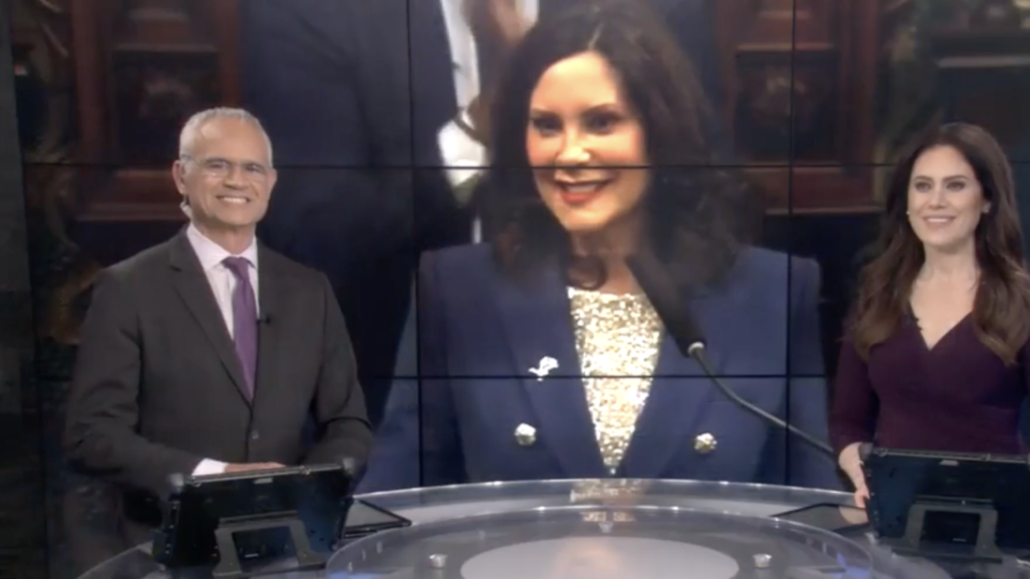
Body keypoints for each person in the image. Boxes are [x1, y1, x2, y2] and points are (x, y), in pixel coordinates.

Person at [358, 0, 834, 492]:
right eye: (546, 125)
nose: (569, 153)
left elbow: (812, 514)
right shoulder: (456, 292)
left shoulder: (772, 294)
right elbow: (392, 505)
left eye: (602, 122)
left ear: (660, 131)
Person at [238, 0, 726, 412]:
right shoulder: (313, 12)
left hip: (640, 376)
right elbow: (315, 237)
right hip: (393, 385)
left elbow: (705, 188)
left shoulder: (660, 9)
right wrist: (475, 135)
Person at [62, 108, 373, 550]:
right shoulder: (128, 288)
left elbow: (349, 424)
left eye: (252, 168)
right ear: (180, 176)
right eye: (217, 165)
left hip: (289, 543)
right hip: (167, 548)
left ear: (270, 181)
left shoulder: (310, 290)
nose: (236, 181)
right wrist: (213, 477)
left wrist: (301, 490)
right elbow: (91, 435)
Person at [830, 122, 1030, 506]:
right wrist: (862, 472)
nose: (935, 201)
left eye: (955, 185)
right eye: (922, 186)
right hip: (894, 518)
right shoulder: (876, 296)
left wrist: (996, 483)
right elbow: (847, 422)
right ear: (906, 201)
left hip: (991, 521)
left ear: (986, 199)